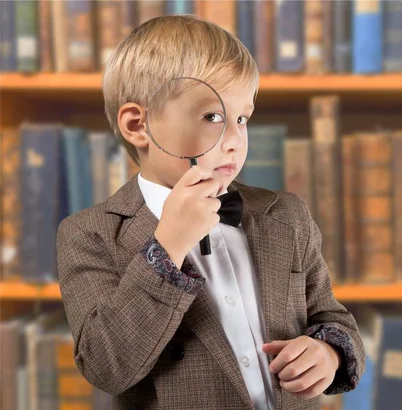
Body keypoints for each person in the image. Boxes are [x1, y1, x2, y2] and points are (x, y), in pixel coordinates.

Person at [56, 15, 365, 410]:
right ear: (139, 125)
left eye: (242, 118)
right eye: (213, 117)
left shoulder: (286, 215)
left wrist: (328, 352)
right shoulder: (89, 234)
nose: (235, 140)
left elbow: (334, 318)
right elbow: (106, 366)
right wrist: (166, 247)